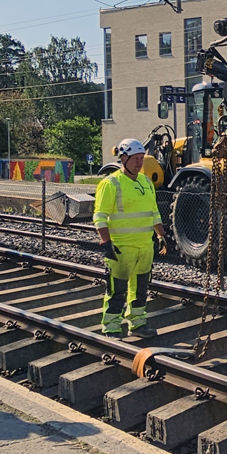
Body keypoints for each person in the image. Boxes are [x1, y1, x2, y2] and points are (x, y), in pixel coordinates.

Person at [93, 138, 169, 337]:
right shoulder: (111, 183)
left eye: (141, 158)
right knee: (116, 290)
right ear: (123, 158)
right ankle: (111, 327)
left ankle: (137, 324)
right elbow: (100, 216)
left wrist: (160, 235)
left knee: (140, 289)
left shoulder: (146, 182)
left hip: (144, 248)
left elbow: (154, 213)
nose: (139, 162)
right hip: (121, 247)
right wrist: (106, 242)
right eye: (135, 158)